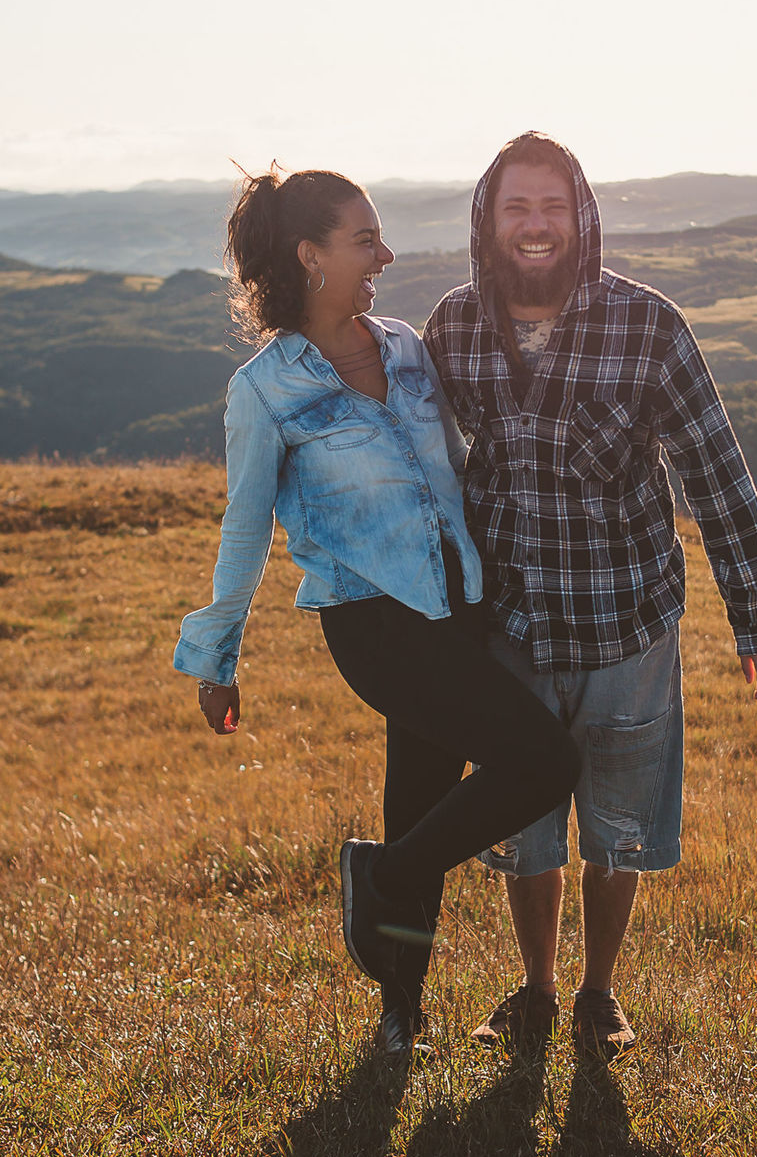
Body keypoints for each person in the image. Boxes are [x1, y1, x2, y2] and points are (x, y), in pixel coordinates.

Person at [173, 165, 580, 1059]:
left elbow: (461, 467)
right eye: (365, 241)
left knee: (421, 799)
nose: (385, 256)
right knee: (546, 761)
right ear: (309, 256)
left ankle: (401, 1016)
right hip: (376, 624)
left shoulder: (403, 346)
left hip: (460, 608)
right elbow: (244, 530)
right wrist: (215, 660)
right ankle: (382, 873)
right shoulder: (265, 389)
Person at [424, 133, 757, 1059]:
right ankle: (537, 990)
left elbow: (716, 474)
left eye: (552, 206)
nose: (535, 225)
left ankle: (598, 994)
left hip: (626, 624)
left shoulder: (648, 326)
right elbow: (424, 465)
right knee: (524, 826)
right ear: (487, 220)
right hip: (509, 629)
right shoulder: (454, 328)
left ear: (581, 216)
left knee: (619, 828)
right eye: (517, 207)